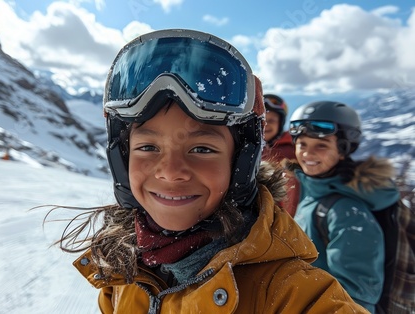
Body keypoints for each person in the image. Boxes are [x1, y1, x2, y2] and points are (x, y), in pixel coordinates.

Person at [53, 29, 368, 313]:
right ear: (121, 160)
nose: (171, 172)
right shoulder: (121, 274)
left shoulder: (290, 294)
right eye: (148, 147)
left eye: (202, 149)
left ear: (240, 164)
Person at [286, 101, 400, 313]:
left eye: (321, 145)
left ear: (342, 150)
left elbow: (356, 298)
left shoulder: (347, 211)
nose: (308, 154)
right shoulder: (312, 192)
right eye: (302, 144)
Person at [261, 94, 299, 216]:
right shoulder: (250, 150)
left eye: (271, 121)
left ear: (281, 123)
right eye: (261, 120)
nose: (265, 125)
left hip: (291, 218)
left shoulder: (294, 149)